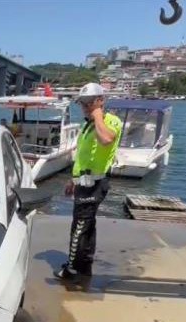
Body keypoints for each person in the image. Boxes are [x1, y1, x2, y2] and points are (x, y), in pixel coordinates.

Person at [55, 83, 122, 280]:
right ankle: (85, 266)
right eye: (82, 103)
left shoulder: (111, 121)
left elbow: (106, 140)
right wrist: (72, 180)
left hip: (95, 185)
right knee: (88, 226)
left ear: (101, 101)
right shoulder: (87, 124)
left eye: (89, 103)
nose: (85, 107)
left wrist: (98, 115)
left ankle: (71, 268)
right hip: (82, 183)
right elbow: (83, 158)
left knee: (79, 228)